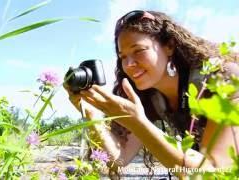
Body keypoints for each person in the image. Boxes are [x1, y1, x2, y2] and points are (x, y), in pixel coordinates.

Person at [64, 10, 239, 179]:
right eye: (122, 57)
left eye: (138, 50)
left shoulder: (222, 78)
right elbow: (119, 158)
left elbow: (214, 173)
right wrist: (91, 113)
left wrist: (139, 123)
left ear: (169, 45)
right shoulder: (151, 98)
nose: (129, 64)